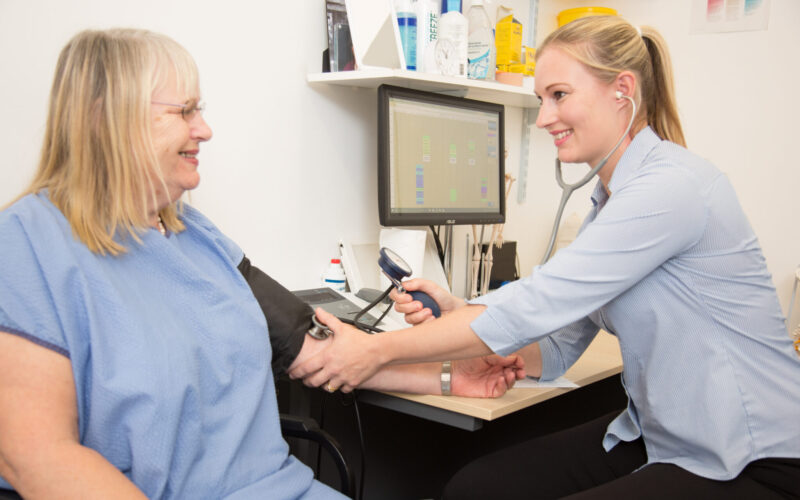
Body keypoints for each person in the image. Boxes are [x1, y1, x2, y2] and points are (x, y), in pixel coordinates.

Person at [0, 28, 526, 499]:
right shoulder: (28, 245)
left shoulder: (196, 236)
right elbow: (38, 458)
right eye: (183, 111)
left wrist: (447, 377)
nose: (204, 130)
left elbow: (316, 351)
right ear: (105, 118)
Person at [290, 16, 800, 498]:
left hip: (752, 458)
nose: (544, 118)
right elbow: (556, 344)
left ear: (623, 90)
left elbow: (537, 303)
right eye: (541, 99)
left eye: (559, 96)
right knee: (476, 489)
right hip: (660, 434)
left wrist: (373, 352)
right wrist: (461, 312)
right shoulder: (609, 204)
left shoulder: (673, 187)